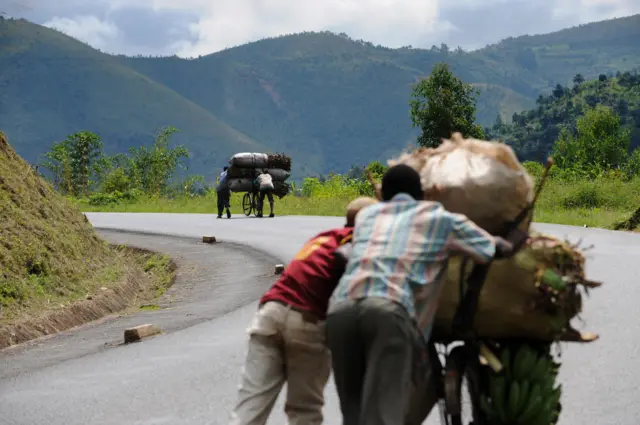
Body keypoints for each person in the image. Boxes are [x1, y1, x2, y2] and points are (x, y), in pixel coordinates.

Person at [325, 164, 515, 425]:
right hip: (390, 311)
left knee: (353, 414)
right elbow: (490, 249)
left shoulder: (368, 217)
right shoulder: (439, 218)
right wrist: (510, 241)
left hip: (340, 311)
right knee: (381, 417)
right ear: (421, 194)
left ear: (384, 195)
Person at [227, 197, 379, 425]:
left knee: (250, 407)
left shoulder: (323, 237)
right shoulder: (360, 244)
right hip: (307, 320)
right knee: (304, 411)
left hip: (269, 313)